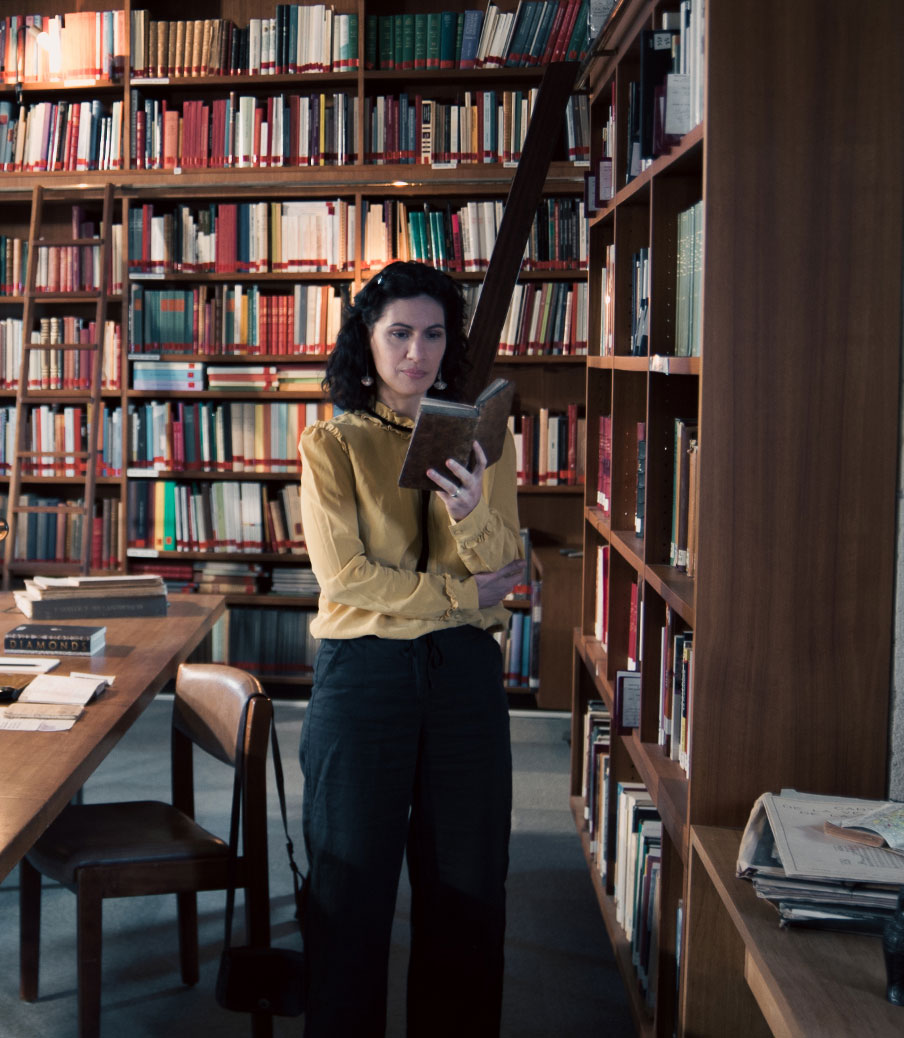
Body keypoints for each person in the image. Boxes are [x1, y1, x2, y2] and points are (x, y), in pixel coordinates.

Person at [296, 260, 527, 1036]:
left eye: (433, 334)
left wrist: (469, 511)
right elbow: (349, 578)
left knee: (467, 890)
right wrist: (463, 595)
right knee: (349, 888)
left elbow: (506, 563)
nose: (416, 353)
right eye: (399, 334)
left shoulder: (484, 437)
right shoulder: (332, 442)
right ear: (368, 339)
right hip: (365, 678)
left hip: (463, 678)